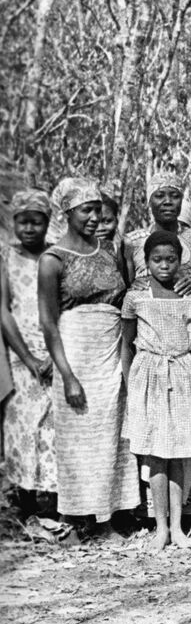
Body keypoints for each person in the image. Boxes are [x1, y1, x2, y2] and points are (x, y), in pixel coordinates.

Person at [38, 179, 138, 541]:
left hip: (110, 350)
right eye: (86, 210)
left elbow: (125, 300)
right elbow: (49, 322)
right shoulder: (52, 260)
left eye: (98, 208)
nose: (95, 217)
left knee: (112, 435)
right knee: (80, 440)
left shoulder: (110, 249)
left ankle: (110, 518)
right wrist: (67, 375)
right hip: (76, 353)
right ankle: (81, 520)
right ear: (67, 213)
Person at [121, 231, 191, 550]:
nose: (164, 266)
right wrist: (131, 386)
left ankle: (178, 526)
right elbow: (126, 345)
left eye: (171, 259)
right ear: (146, 263)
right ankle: (160, 527)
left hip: (184, 375)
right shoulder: (136, 298)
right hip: (149, 377)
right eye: (157, 260)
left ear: (180, 261)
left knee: (180, 454)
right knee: (157, 454)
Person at [1, 190, 57, 510]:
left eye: (37, 222)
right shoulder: (6, 256)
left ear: (48, 223)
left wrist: (52, 355)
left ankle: (55, 496)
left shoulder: (56, 255)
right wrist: (28, 358)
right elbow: (4, 311)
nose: (30, 229)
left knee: (54, 424)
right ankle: (25, 502)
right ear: (14, 222)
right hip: (20, 352)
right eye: (23, 222)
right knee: (22, 421)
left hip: (55, 349)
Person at [123, 172, 191, 293]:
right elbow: (125, 286)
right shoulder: (132, 241)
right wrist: (133, 285)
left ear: (181, 201)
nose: (168, 202)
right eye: (159, 196)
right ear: (149, 202)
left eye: (175, 196)